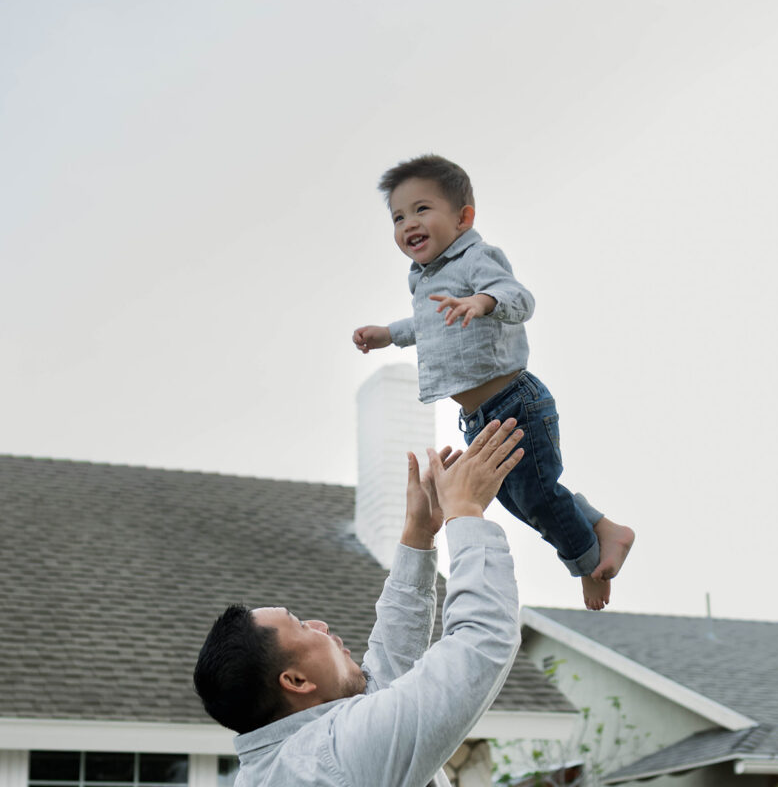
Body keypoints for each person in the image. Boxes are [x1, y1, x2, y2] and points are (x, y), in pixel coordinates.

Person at [353, 154, 634, 610]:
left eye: (422, 209)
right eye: (399, 217)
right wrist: (388, 335)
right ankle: (602, 527)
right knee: (517, 500)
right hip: (479, 418)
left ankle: (589, 562)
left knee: (538, 496)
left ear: (463, 218)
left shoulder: (475, 258)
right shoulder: (425, 280)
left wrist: (483, 302)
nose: (409, 224)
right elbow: (427, 325)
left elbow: (518, 297)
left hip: (515, 403)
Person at [193, 418, 525, 787]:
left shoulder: (291, 760)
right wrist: (465, 512)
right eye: (301, 625)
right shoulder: (332, 759)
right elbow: (481, 642)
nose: (320, 624)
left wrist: (418, 533)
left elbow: (382, 682)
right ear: (296, 680)